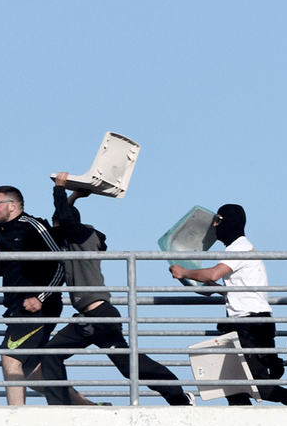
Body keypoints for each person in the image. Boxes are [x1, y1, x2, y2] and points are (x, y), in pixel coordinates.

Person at [41, 173, 194, 406]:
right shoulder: (73, 238)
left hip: (101, 316)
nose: (57, 227)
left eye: (60, 224)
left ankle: (179, 397)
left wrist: (60, 189)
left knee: (129, 367)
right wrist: (74, 196)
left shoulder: (83, 237)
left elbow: (64, 218)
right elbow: (61, 219)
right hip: (84, 320)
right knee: (51, 355)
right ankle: (61, 408)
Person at [169, 204, 287, 406]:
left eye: (218, 219)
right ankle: (243, 412)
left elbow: (213, 273)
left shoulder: (239, 247)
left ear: (228, 222)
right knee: (228, 380)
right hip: (250, 322)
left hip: (249, 324)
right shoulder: (243, 248)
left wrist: (185, 272)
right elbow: (237, 288)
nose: (214, 224)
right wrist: (214, 286)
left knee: (256, 383)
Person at [0, 185, 66, 405]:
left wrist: (41, 298)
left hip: (39, 306)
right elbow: (15, 264)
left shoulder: (33, 226)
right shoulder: (1, 231)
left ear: (12, 206)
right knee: (31, 373)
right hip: (16, 306)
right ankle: (89, 407)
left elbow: (62, 263)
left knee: (10, 357)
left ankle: (15, 419)